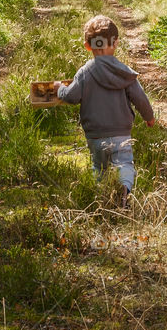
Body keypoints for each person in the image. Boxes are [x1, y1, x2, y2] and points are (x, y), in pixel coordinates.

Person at [57, 15, 155, 206]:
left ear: (87, 46)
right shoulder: (124, 72)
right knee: (124, 164)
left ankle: (102, 201)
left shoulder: (85, 72)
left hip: (95, 134)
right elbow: (140, 98)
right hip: (121, 133)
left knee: (99, 167)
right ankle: (124, 191)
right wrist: (149, 117)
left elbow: (71, 96)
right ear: (116, 43)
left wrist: (59, 88)